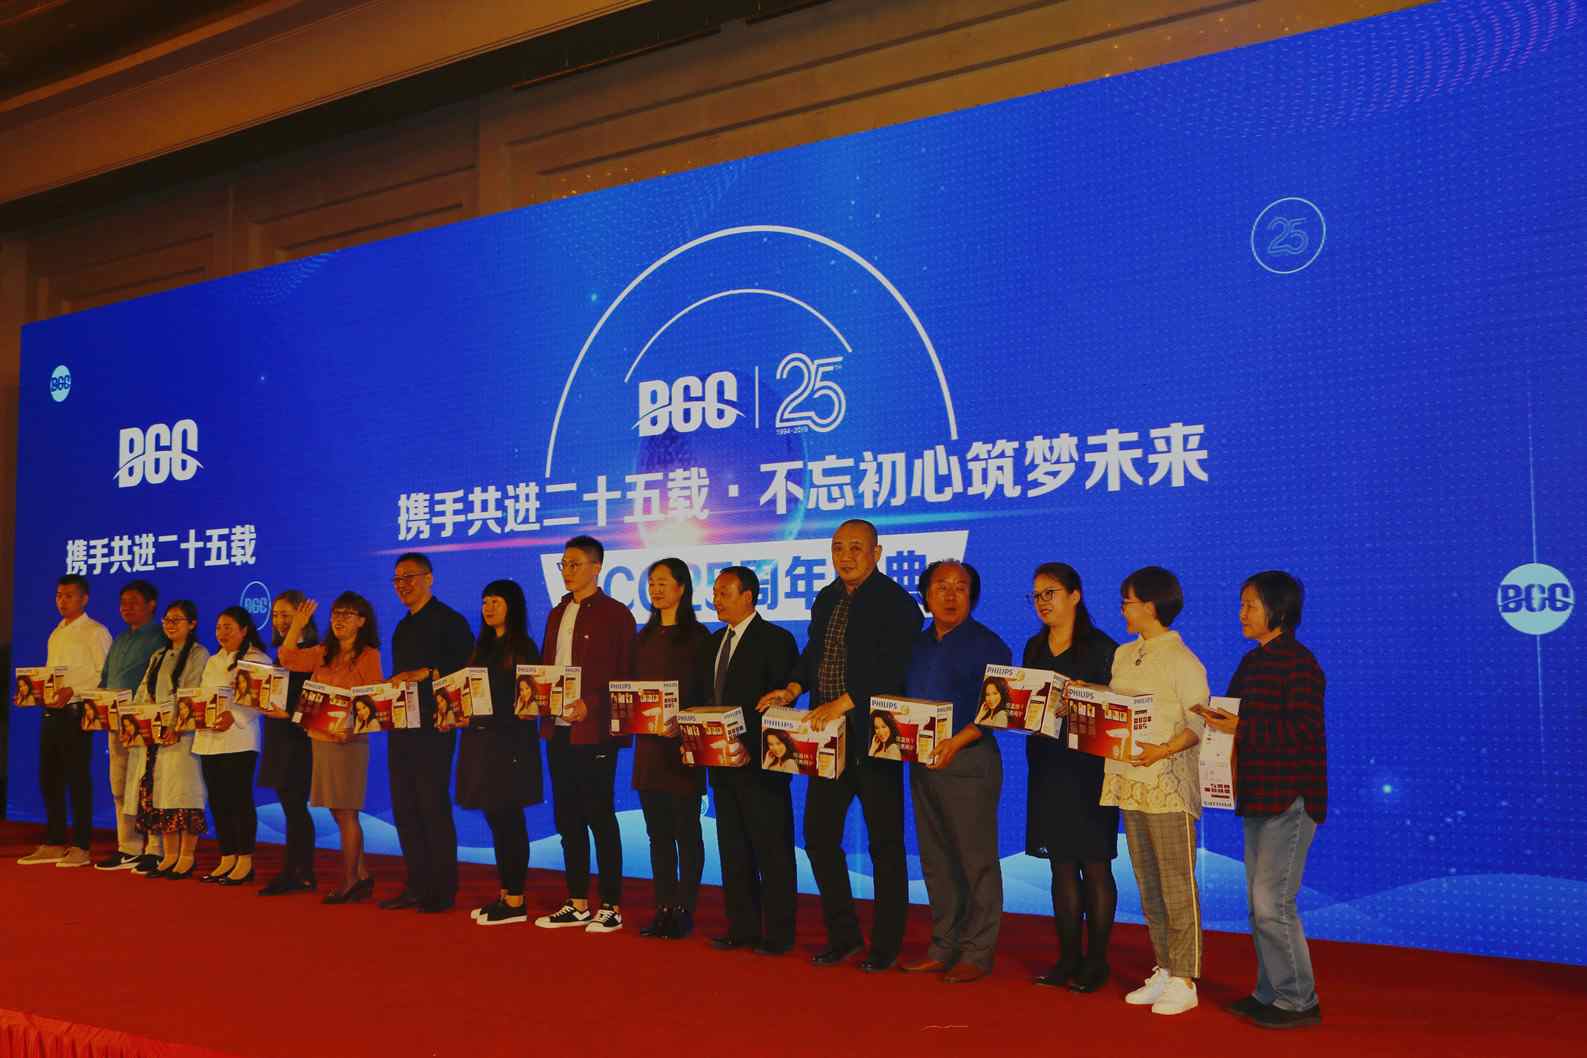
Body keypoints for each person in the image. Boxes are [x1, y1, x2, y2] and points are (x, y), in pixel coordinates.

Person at [758, 519, 921, 971]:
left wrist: (844, 703)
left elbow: (895, 667)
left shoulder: (897, 604)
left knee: (885, 845)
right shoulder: (827, 597)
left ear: (877, 552)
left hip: (874, 740)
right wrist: (792, 689)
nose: (845, 556)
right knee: (819, 837)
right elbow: (815, 655)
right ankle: (844, 936)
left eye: (855, 548)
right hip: (826, 740)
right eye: (837, 548)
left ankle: (886, 946)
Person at [1210, 571, 1326, 1030]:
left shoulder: (1300, 664)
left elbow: (1303, 731)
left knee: (1272, 903)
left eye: (1250, 605)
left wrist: (1239, 727)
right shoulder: (1252, 662)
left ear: (1278, 610)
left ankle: (1299, 1000)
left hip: (1289, 797)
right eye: (1241, 604)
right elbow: (1232, 716)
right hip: (1257, 795)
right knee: (1258, 904)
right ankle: (1269, 992)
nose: (1241, 613)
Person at [897, 561, 1011, 984]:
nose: (950, 595)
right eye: (941, 586)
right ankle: (943, 945)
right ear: (926, 596)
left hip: (969, 762)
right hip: (923, 763)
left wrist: (955, 743)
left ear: (972, 596)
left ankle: (977, 952)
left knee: (975, 861)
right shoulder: (916, 644)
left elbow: (997, 710)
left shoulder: (989, 645)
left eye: (960, 587)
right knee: (936, 859)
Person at [1105, 566, 1210, 1016]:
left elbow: (1198, 724)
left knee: (1176, 882)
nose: (1123, 609)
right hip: (1130, 782)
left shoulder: (1183, 660)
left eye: (1128, 602)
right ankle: (1165, 966)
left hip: (1167, 784)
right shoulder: (1123, 654)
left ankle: (1185, 977)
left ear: (1150, 605)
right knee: (1148, 882)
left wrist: (1162, 750)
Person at [1022, 562, 1121, 992]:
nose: (1042, 602)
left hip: (1089, 769)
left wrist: (1084, 699)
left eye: (1051, 593)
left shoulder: (1102, 649)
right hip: (1047, 765)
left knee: (1094, 864)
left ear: (1075, 595)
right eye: (1037, 595)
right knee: (1060, 865)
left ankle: (1096, 963)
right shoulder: (1033, 647)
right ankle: (1068, 959)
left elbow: (1118, 711)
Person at [534, 535, 634, 934]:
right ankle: (576, 901)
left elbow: (625, 675)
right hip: (558, 729)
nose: (567, 571)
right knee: (567, 817)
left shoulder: (616, 615)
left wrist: (591, 705)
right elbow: (547, 667)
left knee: (599, 815)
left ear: (596, 567)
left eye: (575, 564)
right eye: (564, 564)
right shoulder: (557, 613)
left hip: (595, 732)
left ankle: (610, 904)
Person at [707, 566, 800, 955]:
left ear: (748, 596)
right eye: (715, 592)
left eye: (724, 592)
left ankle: (778, 934)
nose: (716, 599)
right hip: (721, 762)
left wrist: (750, 744)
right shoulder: (715, 641)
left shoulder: (776, 639)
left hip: (762, 764)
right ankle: (742, 927)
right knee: (733, 849)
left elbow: (779, 707)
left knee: (772, 851)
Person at [279, 594, 384, 904]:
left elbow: (374, 700)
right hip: (321, 739)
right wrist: (297, 624)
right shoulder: (324, 652)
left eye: (348, 614)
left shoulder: (369, 655)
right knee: (338, 812)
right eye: (336, 613)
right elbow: (287, 658)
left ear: (362, 621)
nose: (339, 619)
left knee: (347, 812)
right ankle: (361, 875)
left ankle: (350, 881)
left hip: (348, 741)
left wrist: (351, 729)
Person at [385, 552, 475, 914]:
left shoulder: (450, 621)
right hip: (401, 728)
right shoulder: (401, 628)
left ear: (429, 578)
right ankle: (416, 884)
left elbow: (466, 669)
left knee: (431, 806)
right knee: (405, 808)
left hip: (435, 728)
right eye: (397, 579)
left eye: (409, 577)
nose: (402, 585)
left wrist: (426, 672)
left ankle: (442, 889)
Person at [631, 559, 712, 941]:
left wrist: (685, 721)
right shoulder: (643, 637)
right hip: (648, 750)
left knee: (686, 833)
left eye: (663, 582)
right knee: (658, 834)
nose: (656, 589)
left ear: (682, 588)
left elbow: (708, 694)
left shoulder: (698, 638)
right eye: (652, 583)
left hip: (683, 749)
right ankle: (663, 907)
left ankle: (685, 909)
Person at [455, 579, 543, 927]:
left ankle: (516, 899)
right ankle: (505, 893)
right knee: (496, 819)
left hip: (510, 745)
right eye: (485, 601)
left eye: (496, 601)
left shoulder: (523, 647)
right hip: (481, 745)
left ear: (512, 606)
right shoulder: (483, 646)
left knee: (510, 819)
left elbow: (525, 703)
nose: (488, 607)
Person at [19, 575, 113, 868]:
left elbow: (103, 675)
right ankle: (54, 841)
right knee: (50, 777)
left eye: (69, 595)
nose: (62, 600)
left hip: (76, 712)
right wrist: (32, 692)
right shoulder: (56, 633)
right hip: (52, 712)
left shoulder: (96, 631)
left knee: (77, 779)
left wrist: (74, 690)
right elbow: (51, 676)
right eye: (59, 595)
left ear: (84, 598)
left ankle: (82, 845)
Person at [127, 601, 211, 878]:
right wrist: (136, 720)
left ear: (192, 624)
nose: (170, 625)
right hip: (157, 736)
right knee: (163, 795)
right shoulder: (159, 655)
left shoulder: (199, 654)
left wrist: (176, 725)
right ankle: (169, 855)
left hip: (184, 736)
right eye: (167, 620)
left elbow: (193, 691)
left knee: (186, 794)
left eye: (177, 620)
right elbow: (144, 691)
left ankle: (187, 856)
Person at [193, 606, 270, 886]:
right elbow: (203, 696)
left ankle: (245, 860)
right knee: (218, 800)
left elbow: (260, 699)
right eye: (218, 627)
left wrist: (234, 715)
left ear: (244, 630)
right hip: (209, 739)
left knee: (239, 800)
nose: (221, 633)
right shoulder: (213, 660)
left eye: (228, 627)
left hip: (240, 739)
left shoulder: (257, 659)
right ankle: (226, 856)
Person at [257, 590, 319, 895]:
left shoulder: (313, 653)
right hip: (279, 737)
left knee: (295, 808)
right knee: (289, 806)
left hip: (299, 738)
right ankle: (298, 870)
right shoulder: (279, 653)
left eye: (287, 615)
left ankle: (299, 871)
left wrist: (290, 713)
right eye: (276, 615)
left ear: (303, 617)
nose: (280, 621)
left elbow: (315, 699)